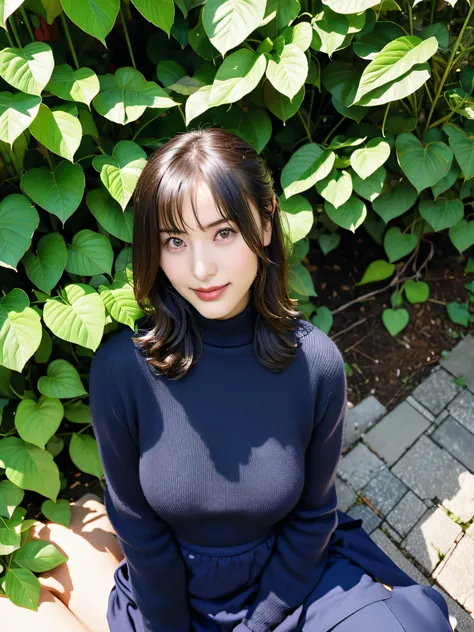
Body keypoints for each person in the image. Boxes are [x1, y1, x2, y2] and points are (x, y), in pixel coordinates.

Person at [0, 128, 452, 632]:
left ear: (263, 224)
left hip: (289, 587)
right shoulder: (121, 371)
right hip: (169, 597)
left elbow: (312, 518)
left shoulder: (317, 364)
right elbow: (140, 528)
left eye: (223, 232)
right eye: (175, 240)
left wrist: (259, 625)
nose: (200, 267)